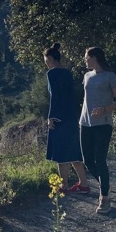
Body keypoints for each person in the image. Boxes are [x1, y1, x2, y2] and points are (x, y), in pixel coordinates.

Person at [80, 46, 116, 213]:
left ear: (94, 58)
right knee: (87, 160)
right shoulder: (87, 76)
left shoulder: (110, 76)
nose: (85, 60)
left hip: (103, 123)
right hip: (85, 123)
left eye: (86, 57)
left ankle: (104, 198)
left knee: (100, 159)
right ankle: (105, 185)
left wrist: (104, 109)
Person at [43, 43, 90, 194]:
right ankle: (83, 183)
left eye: (46, 60)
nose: (45, 63)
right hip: (71, 115)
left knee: (60, 153)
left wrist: (52, 117)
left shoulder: (51, 74)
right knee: (74, 150)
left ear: (50, 58)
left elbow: (55, 96)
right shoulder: (67, 73)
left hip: (60, 117)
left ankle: (63, 186)